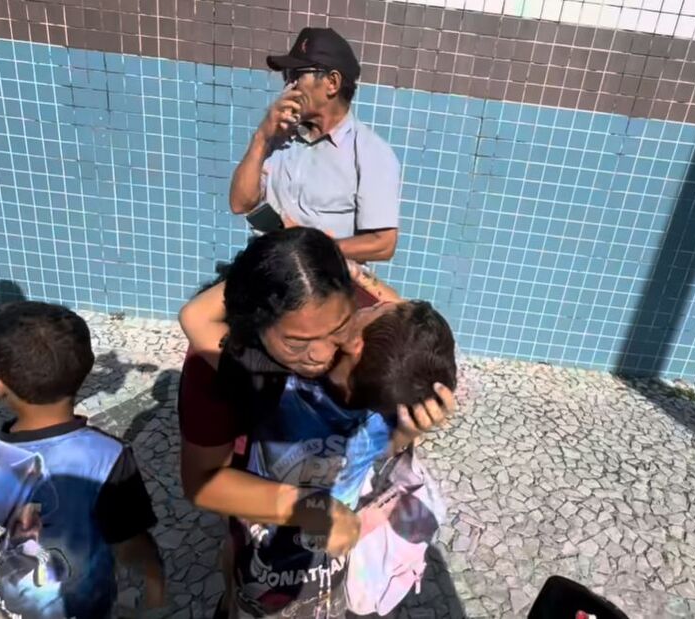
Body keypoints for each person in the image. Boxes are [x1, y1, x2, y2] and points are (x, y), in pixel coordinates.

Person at [178, 228, 456, 616]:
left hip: (320, 546)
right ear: (255, 322)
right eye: (296, 342)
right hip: (270, 524)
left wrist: (407, 429)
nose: (323, 355)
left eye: (340, 328)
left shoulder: (359, 346)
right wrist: (288, 261)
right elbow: (206, 483)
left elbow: (405, 322)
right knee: (244, 567)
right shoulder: (258, 374)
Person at [0, 301, 167, 619]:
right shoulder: (109, 457)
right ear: (86, 370)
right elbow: (131, 542)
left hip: (15, 608)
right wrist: (154, 585)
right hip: (91, 606)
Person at [229, 27, 401, 263]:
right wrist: (261, 136)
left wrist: (309, 248)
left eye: (296, 74)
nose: (289, 86)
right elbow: (240, 203)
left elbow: (383, 244)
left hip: (323, 286)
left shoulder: (371, 153)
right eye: (286, 76)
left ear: (332, 82)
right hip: (266, 271)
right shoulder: (277, 135)